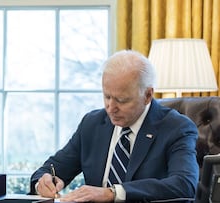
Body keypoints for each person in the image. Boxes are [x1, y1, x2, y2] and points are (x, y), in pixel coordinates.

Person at [30, 50, 199, 202]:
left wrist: (113, 193)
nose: (111, 108)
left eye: (122, 100)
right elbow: (52, 168)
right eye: (107, 97)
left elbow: (184, 184)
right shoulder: (92, 124)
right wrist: (43, 182)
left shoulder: (176, 128)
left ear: (147, 95)